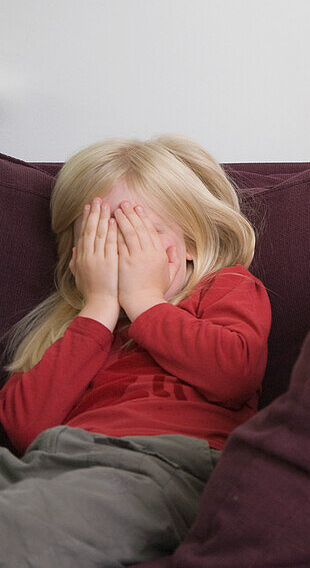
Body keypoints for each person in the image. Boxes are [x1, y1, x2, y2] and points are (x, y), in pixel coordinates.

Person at [0, 134, 271, 567]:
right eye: (100, 240)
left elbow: (234, 375)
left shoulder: (225, 287)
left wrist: (146, 301)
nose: (118, 254)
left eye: (137, 235)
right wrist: (99, 307)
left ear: (192, 246)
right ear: (76, 257)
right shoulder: (70, 325)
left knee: (20, 526)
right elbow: (24, 429)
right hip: (54, 459)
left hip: (164, 466)